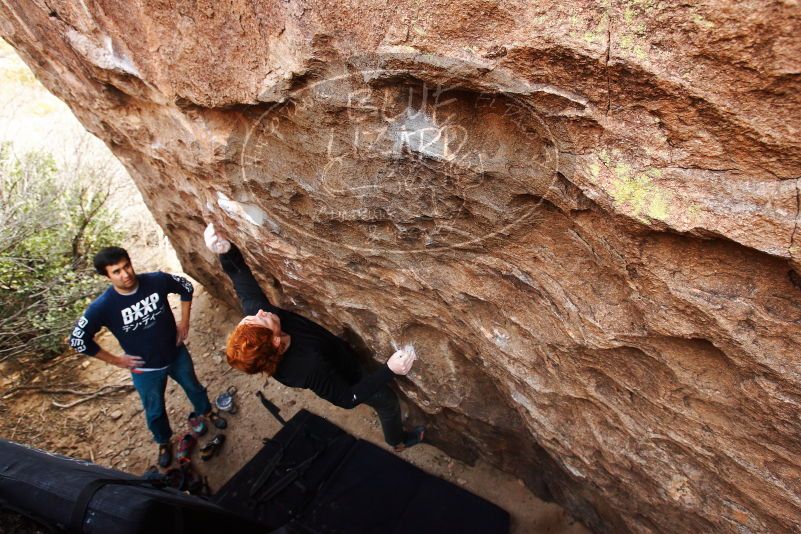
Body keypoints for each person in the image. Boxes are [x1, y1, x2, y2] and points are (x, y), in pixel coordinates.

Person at [204, 224, 424, 451]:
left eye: (252, 318)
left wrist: (225, 251)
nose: (260, 312)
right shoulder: (307, 368)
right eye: (262, 319)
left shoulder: (261, 322)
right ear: (276, 342)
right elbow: (347, 398)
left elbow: (242, 282)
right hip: (349, 375)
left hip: (334, 351)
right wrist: (390, 370)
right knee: (386, 402)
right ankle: (397, 441)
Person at [68, 246, 225, 467]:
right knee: (155, 410)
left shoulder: (156, 280)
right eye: (116, 271)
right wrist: (117, 360)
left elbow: (186, 287)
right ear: (107, 275)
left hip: (176, 353)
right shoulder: (102, 307)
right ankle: (163, 442)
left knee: (194, 387)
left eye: (126, 266)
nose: (125, 274)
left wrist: (185, 322)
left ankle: (206, 412)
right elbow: (77, 340)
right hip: (146, 370)